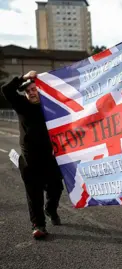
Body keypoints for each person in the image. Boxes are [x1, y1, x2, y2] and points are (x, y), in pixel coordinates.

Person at [1, 71, 64, 239]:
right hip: (30, 160)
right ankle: (38, 225)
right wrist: (22, 77)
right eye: (28, 91)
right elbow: (6, 90)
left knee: (56, 187)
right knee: (34, 192)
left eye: (34, 89)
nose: (31, 93)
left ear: (41, 90)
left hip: (50, 157)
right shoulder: (21, 104)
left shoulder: (50, 106)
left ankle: (50, 209)